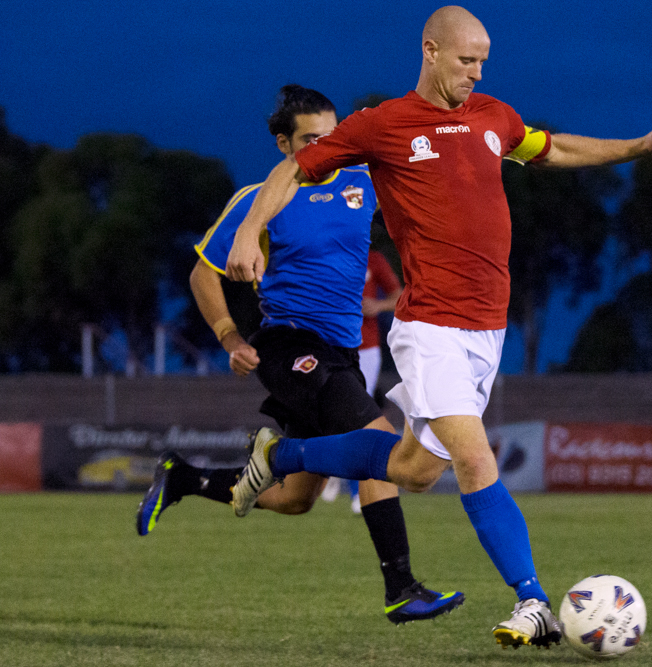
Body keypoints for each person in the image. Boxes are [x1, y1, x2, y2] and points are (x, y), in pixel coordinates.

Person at [225, 5, 652, 649]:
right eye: (466, 60)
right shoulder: (382, 125)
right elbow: (290, 170)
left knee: (416, 469)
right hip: (431, 327)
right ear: (431, 51)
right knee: (477, 461)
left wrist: (638, 146)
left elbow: (552, 148)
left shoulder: (494, 117)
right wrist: (251, 229)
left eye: (483, 61)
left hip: (486, 332)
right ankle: (532, 601)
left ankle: (283, 454)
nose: (477, 72)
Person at [134, 84, 463, 625]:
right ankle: (401, 588)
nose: (324, 146)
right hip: (290, 348)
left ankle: (183, 477)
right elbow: (201, 274)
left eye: (331, 136)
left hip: (342, 353)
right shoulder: (258, 202)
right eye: (310, 139)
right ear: (285, 144)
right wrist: (229, 337)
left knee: (294, 500)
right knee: (376, 448)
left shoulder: (363, 181)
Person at [322, 249, 402, 511]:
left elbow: (399, 295)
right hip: (330, 345)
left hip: (366, 349)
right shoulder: (326, 253)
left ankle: (357, 491)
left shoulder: (374, 259)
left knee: (357, 415)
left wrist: (378, 305)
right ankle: (335, 470)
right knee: (332, 414)